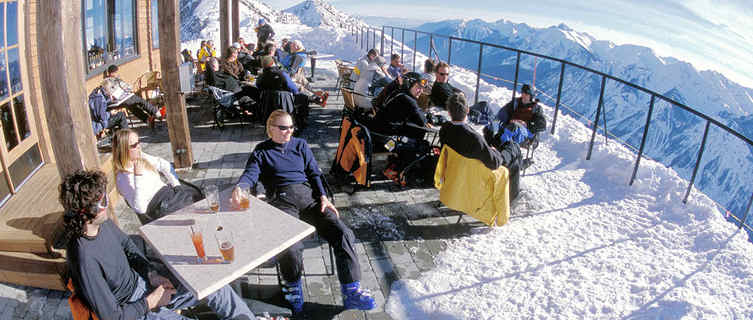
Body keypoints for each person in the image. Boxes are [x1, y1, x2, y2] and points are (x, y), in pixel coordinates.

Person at [231, 111, 376, 314]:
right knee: (290, 244)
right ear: (270, 128)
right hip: (281, 201)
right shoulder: (261, 151)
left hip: (309, 198)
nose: (288, 131)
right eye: (283, 128)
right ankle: (292, 286)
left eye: (291, 127)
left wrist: (324, 197)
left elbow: (314, 173)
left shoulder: (300, 145)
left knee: (342, 232)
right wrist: (241, 187)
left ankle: (351, 290)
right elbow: (251, 174)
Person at [61, 170, 256, 320]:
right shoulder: (83, 257)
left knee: (215, 286)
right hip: (135, 309)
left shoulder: (104, 224)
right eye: (102, 201)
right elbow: (112, 316)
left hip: (145, 285)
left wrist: (151, 274)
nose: (107, 202)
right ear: (86, 211)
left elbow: (128, 246)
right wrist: (151, 302)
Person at [440, 93, 522, 199]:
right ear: (468, 110)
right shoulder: (473, 138)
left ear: (449, 112)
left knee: (496, 141)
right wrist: (495, 151)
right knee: (513, 153)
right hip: (474, 178)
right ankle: (511, 198)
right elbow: (495, 163)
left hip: (455, 174)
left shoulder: (445, 130)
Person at [112, 129, 203, 223]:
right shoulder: (122, 177)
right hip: (159, 208)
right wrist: (137, 176)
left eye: (139, 142)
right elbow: (140, 209)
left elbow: (163, 164)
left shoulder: (140, 157)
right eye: (134, 145)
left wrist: (176, 185)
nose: (139, 147)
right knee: (195, 209)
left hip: (169, 195)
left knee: (199, 196)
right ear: (123, 150)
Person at [371, 72, 429, 140]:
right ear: (409, 84)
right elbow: (422, 121)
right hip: (385, 137)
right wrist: (430, 118)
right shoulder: (408, 100)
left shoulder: (396, 91)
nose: (421, 91)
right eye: (418, 87)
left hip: (377, 132)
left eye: (422, 88)